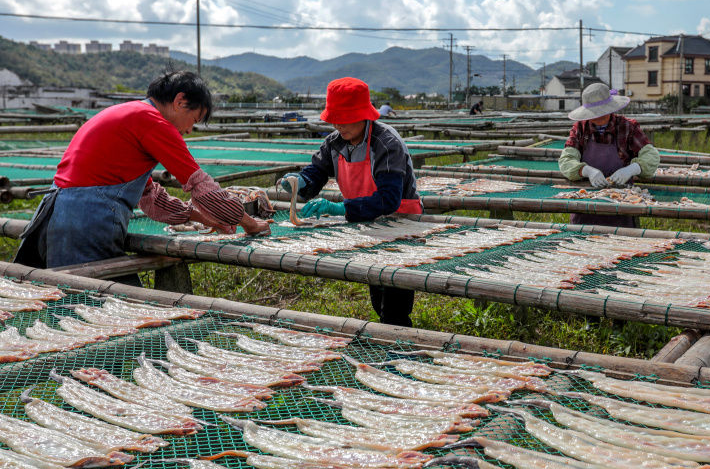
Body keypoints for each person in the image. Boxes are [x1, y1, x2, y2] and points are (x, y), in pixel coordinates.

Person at [14, 71, 270, 284]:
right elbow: (203, 188)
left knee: (66, 302)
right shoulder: (153, 122)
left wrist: (200, 216)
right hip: (86, 221)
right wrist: (249, 223)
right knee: (112, 309)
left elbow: (148, 195)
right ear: (180, 101)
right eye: (193, 119)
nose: (189, 130)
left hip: (54, 215)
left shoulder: (130, 114)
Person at [279, 77, 422, 327]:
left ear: (362, 115)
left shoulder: (386, 143)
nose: (337, 125)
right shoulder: (335, 141)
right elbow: (317, 171)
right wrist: (301, 181)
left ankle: (400, 347)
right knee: (377, 290)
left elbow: (389, 199)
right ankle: (388, 341)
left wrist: (340, 208)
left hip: (400, 222)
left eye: (343, 119)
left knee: (394, 300)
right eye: (334, 118)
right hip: (365, 221)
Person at [558, 82, 659, 228]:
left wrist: (632, 169)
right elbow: (566, 160)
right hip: (586, 203)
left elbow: (651, 155)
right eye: (594, 114)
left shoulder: (627, 127)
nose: (598, 117)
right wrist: (586, 171)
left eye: (602, 112)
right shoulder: (580, 129)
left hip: (622, 203)